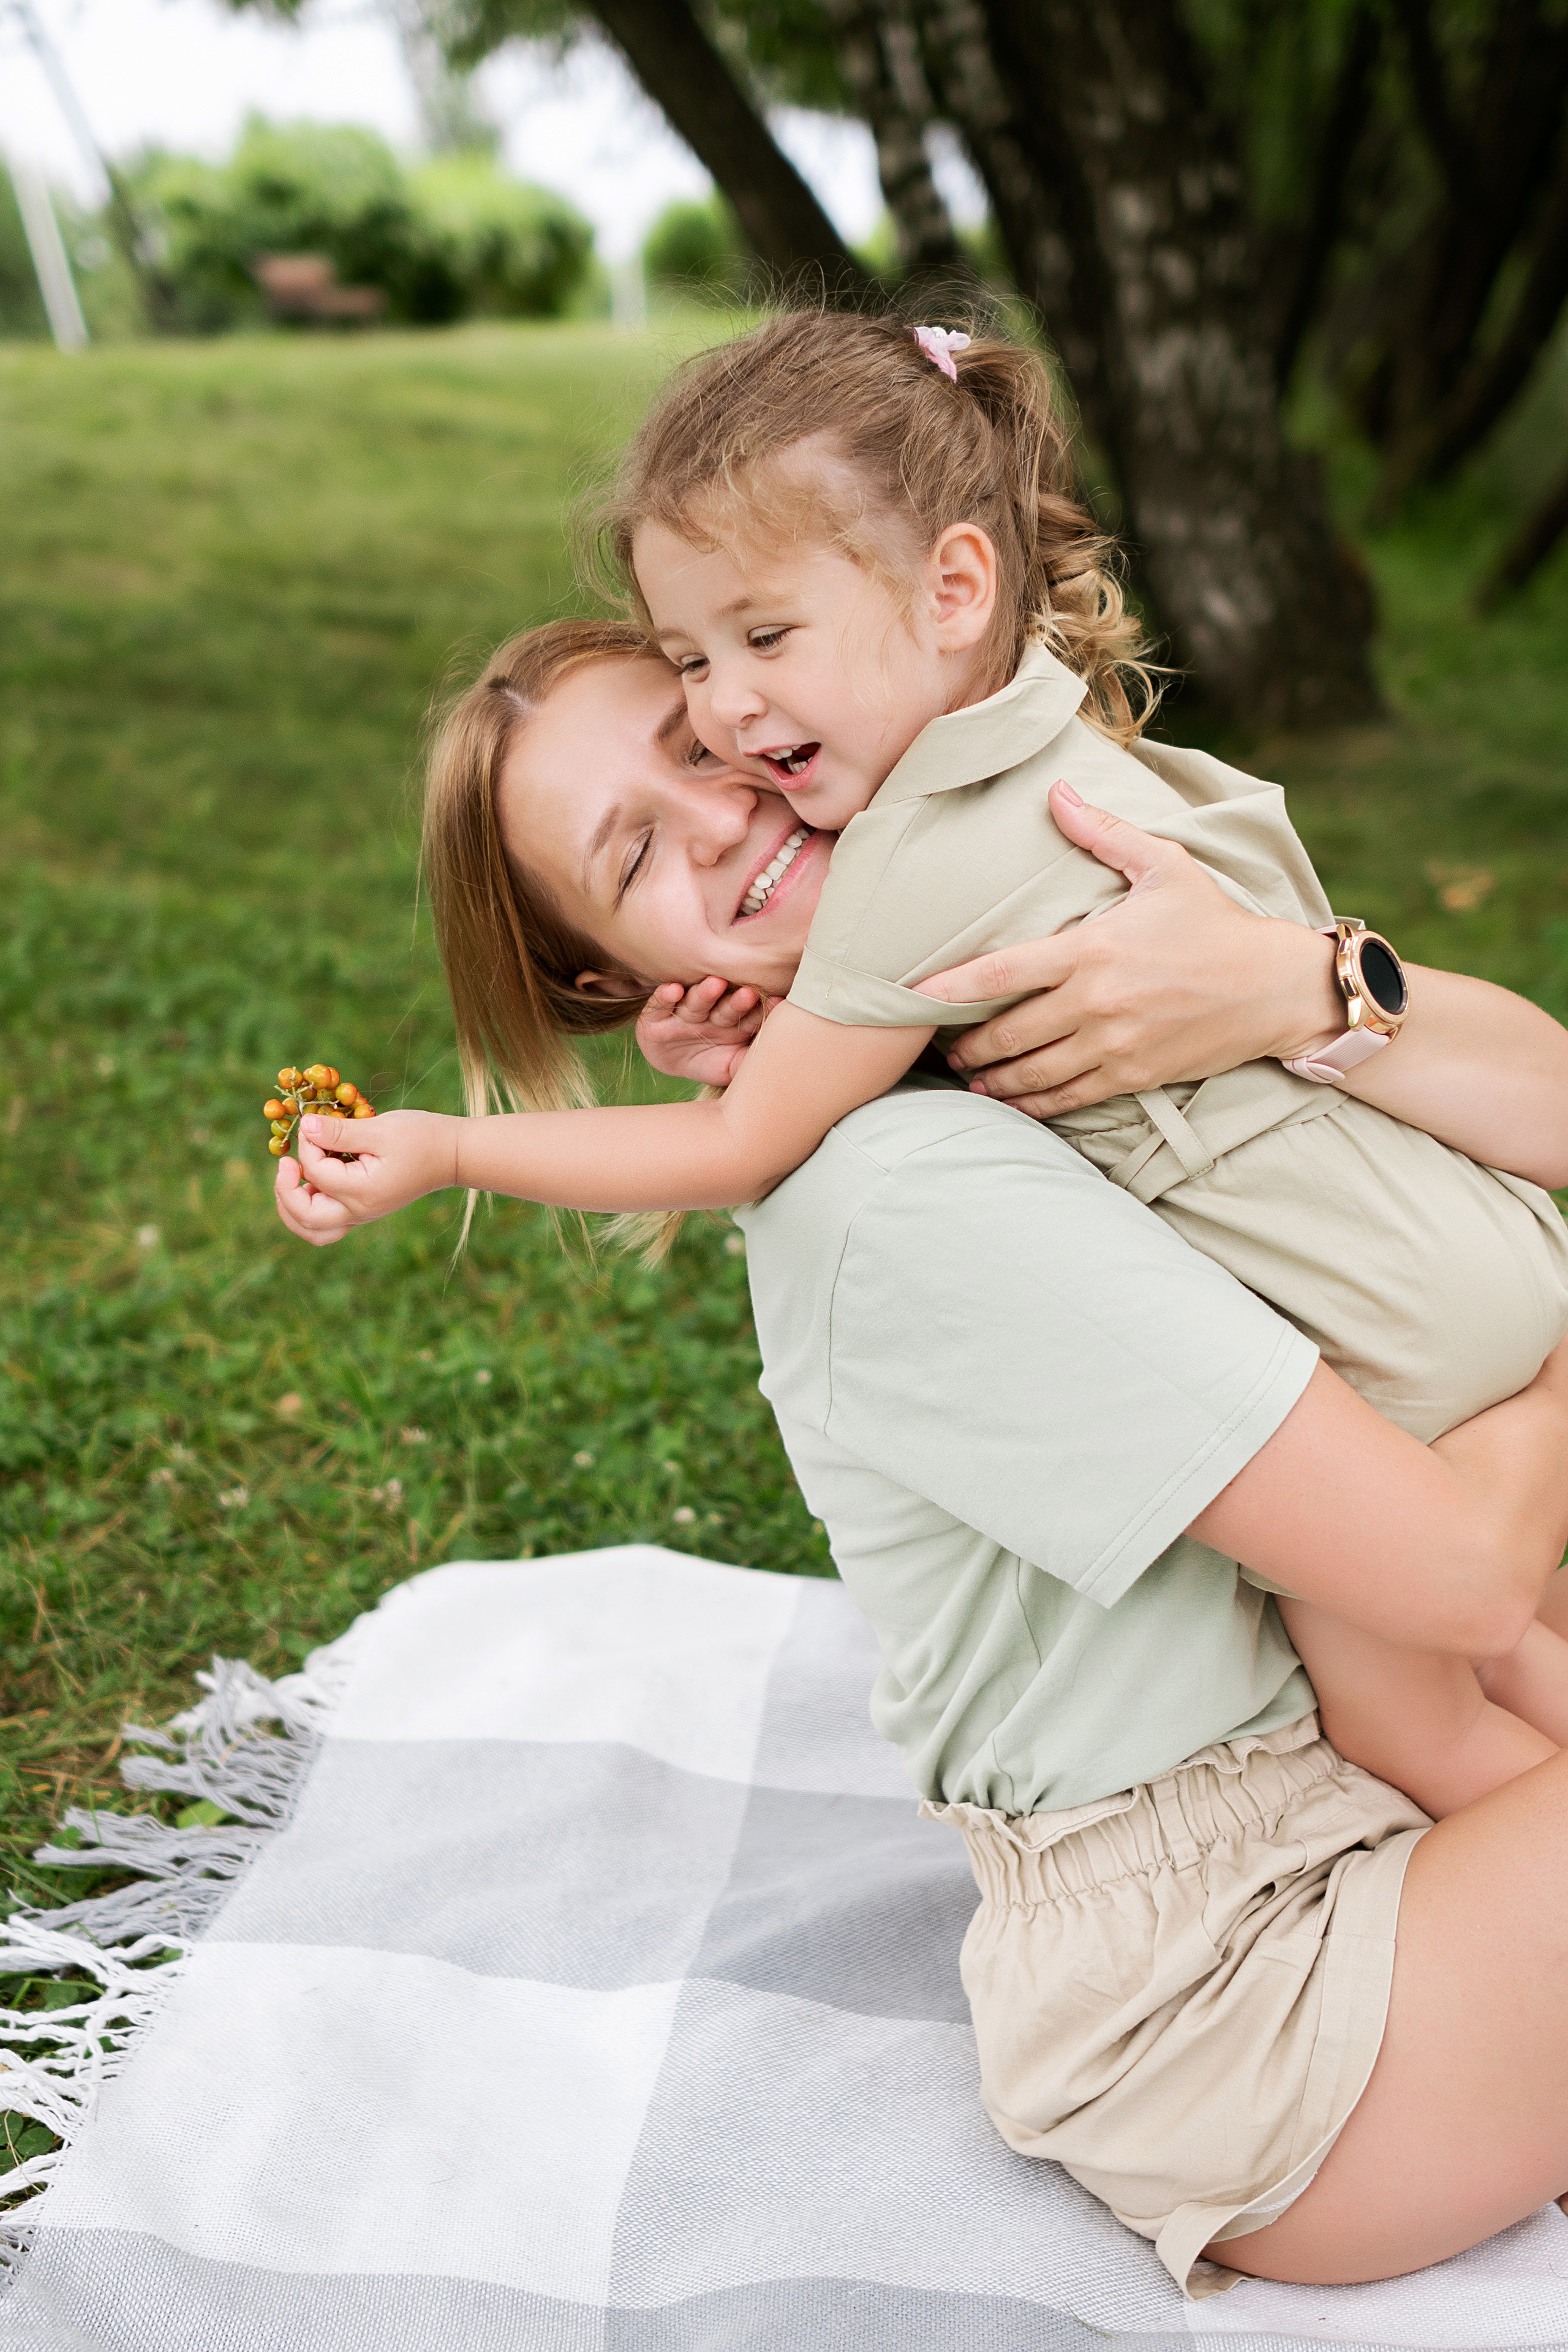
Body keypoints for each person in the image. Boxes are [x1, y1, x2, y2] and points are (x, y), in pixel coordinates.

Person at [273, 621, 1568, 2294]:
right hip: (1268, 1993)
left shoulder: (1029, 967)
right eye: (638, 853)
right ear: (621, 975)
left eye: (697, 740)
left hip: (1388, 1795)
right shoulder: (900, 1189)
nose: (722, 816)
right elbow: (1460, 1573)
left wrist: (1289, 980)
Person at [278, 296, 1568, 1820]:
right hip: (1475, 1245)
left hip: (1398, 1335)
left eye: (750, 659)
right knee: (1520, 1652)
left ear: (947, 586)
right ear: (605, 975)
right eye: (695, 665)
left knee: (1420, 1718)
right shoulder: (1053, 751)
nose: (733, 726)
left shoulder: (910, 856)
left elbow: (736, 1152)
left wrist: (447, 1149)